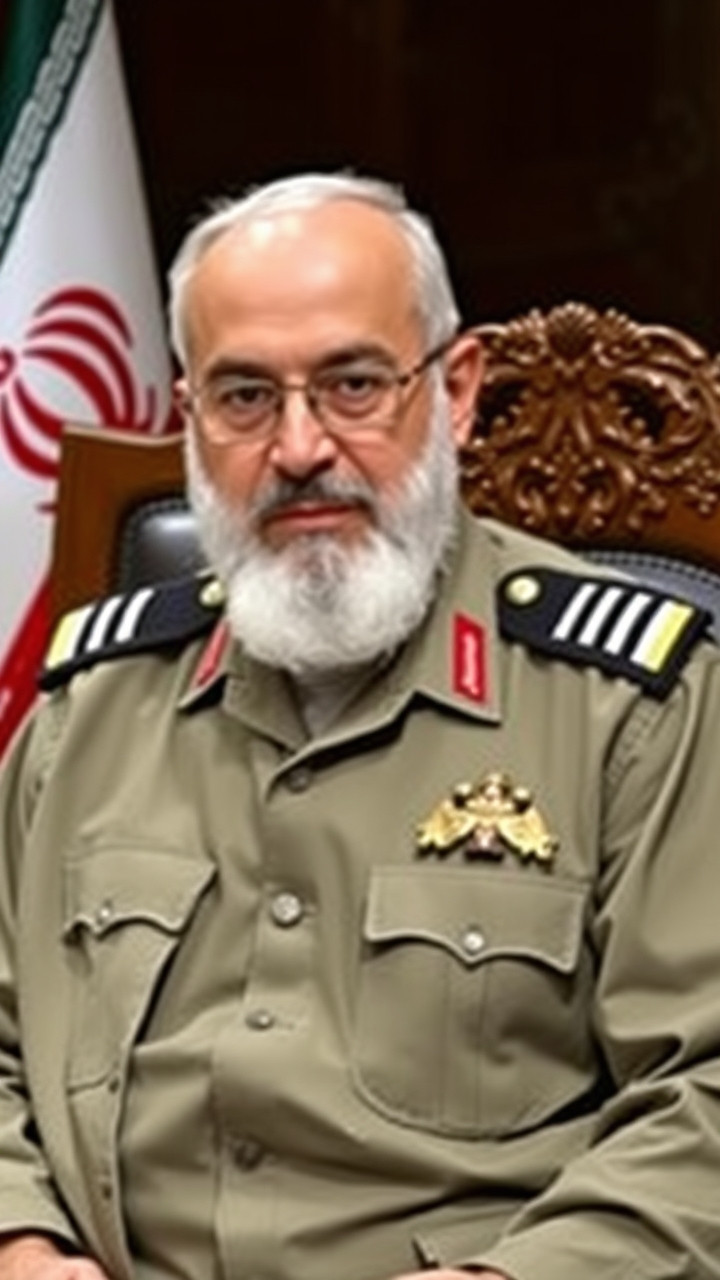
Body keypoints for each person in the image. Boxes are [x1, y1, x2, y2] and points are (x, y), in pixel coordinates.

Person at [2, 172, 720, 1280]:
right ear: (190, 416)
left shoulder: (630, 707)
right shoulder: (92, 702)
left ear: (457, 391)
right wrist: (21, 1241)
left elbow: (705, 1090)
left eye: (352, 384)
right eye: (245, 395)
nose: (299, 447)